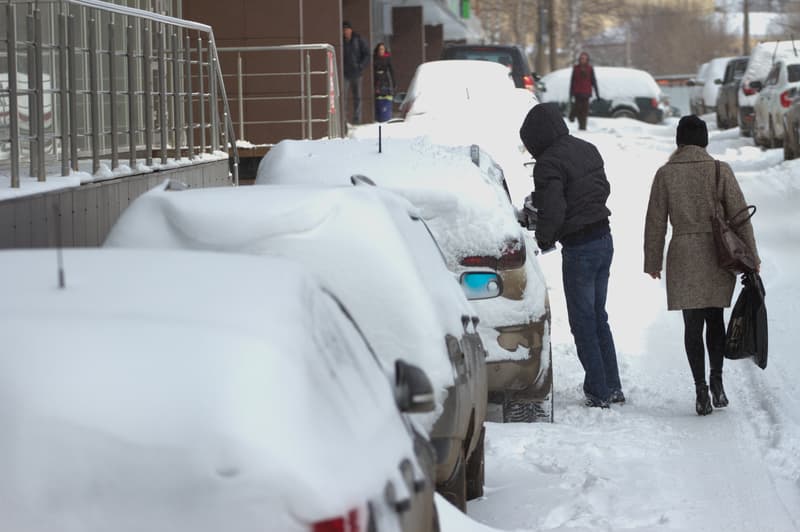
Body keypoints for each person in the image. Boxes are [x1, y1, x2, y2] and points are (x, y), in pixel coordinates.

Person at [644, 115, 760, 416]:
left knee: (692, 325)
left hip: (683, 254)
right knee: (715, 319)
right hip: (718, 254)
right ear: (704, 141)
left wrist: (652, 260)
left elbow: (655, 221)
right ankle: (717, 381)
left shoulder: (665, 174)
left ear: (679, 141)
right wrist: (752, 256)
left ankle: (700, 390)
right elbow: (740, 218)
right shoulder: (720, 170)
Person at [519, 102, 623, 408]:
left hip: (580, 248)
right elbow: (600, 188)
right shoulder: (587, 148)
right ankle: (612, 386)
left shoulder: (548, 163)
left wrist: (543, 238)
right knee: (599, 317)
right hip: (604, 239)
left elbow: (554, 208)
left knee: (583, 322)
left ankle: (598, 391)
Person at [342, 21, 370, 125]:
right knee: (343, 97)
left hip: (357, 73)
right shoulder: (341, 41)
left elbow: (367, 54)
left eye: (347, 29)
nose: (346, 31)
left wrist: (361, 65)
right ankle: (344, 119)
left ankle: (357, 119)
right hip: (345, 74)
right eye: (344, 30)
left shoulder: (358, 39)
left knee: (357, 97)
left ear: (351, 30)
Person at [569, 52, 599, 131]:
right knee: (578, 108)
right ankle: (575, 119)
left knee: (585, 111)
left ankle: (583, 127)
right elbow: (572, 81)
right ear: (579, 59)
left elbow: (593, 81)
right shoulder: (576, 68)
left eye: (585, 58)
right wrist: (571, 93)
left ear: (587, 60)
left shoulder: (590, 68)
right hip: (577, 92)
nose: (583, 60)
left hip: (586, 92)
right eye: (582, 58)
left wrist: (597, 93)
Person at [373, 42, 395, 122]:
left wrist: (394, 82)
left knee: (386, 95)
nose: (381, 51)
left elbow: (391, 70)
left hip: (385, 79)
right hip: (376, 79)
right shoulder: (374, 58)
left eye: (382, 49)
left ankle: (386, 114)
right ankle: (379, 115)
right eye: (380, 49)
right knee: (378, 97)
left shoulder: (387, 58)